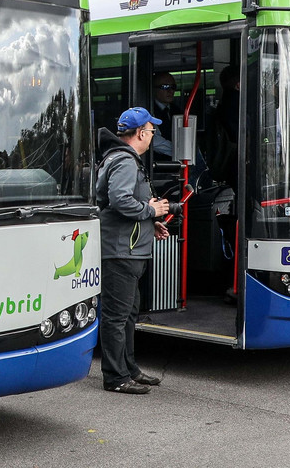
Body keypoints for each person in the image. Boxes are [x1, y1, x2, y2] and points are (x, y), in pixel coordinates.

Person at [96, 107, 171, 395]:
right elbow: (119, 200)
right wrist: (151, 209)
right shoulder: (125, 162)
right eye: (152, 131)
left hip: (129, 249)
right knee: (117, 316)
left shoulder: (123, 159)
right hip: (120, 251)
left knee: (128, 314)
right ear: (140, 133)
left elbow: (126, 203)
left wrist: (152, 222)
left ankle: (129, 369)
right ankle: (115, 377)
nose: (153, 136)